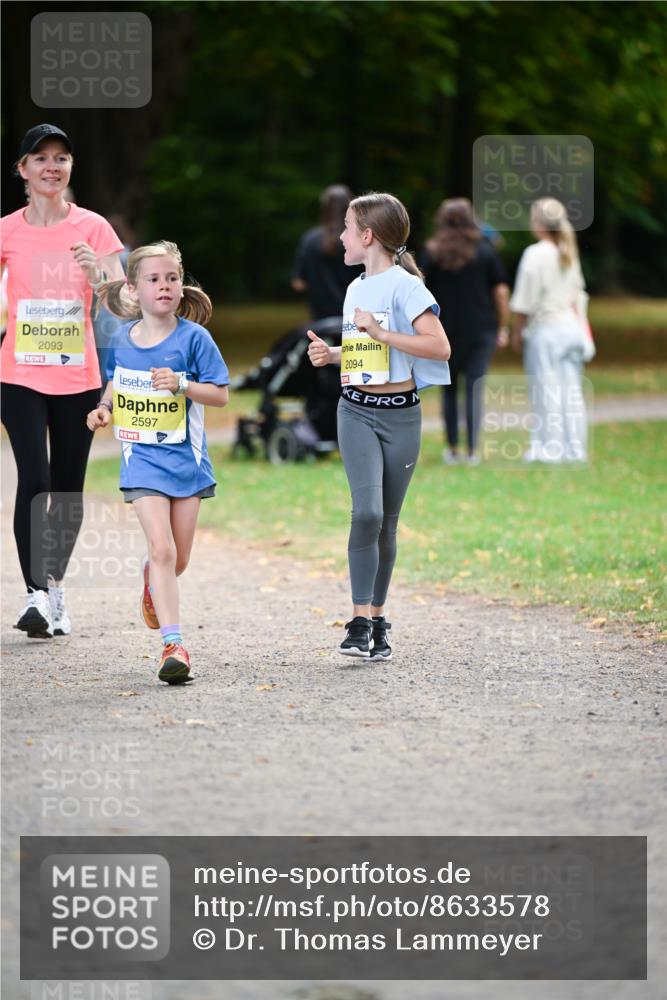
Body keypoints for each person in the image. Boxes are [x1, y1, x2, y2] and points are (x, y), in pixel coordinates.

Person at [307, 192, 451, 660]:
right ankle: (357, 622)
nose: (342, 236)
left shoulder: (406, 287)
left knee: (387, 524)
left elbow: (439, 348)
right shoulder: (355, 288)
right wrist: (333, 354)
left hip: (401, 416)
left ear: (367, 236)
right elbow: (366, 352)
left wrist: (382, 332)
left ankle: (378, 620)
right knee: (365, 512)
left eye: (347, 228)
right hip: (355, 411)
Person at [1, 124, 125, 638]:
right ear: (23, 170)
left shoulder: (95, 229)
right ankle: (33, 595)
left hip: (78, 376)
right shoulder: (6, 229)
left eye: (62, 158)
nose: (53, 165)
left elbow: (123, 305)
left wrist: (98, 272)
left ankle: (55, 592)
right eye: (42, 157)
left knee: (68, 489)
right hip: (20, 372)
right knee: (35, 479)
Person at [87, 241, 229, 684]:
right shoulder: (123, 340)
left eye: (171, 278)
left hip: (187, 465)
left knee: (177, 559)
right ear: (134, 288)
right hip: (142, 462)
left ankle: (153, 580)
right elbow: (116, 382)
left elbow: (221, 395)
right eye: (153, 279)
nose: (164, 286)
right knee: (162, 549)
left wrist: (183, 384)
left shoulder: (195, 338)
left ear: (180, 285)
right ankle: (174, 645)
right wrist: (104, 409)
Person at [420, 198, 509, 465]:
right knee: (474, 388)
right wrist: (503, 326)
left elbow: (421, 292)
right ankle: (472, 450)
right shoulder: (485, 251)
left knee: (448, 389)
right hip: (481, 330)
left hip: (443, 332)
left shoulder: (432, 252)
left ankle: (452, 448)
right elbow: (501, 290)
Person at [510, 197, 592, 463]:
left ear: (539, 222)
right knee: (571, 391)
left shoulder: (536, 253)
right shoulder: (566, 250)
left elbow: (524, 300)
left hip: (546, 330)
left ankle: (548, 448)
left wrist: (517, 332)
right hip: (570, 328)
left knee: (545, 390)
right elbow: (578, 295)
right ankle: (574, 448)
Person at [291, 185, 363, 319]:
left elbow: (298, 284)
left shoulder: (309, 239)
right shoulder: (361, 239)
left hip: (321, 320)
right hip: (356, 319)